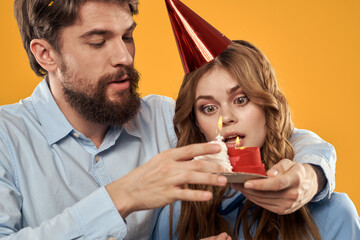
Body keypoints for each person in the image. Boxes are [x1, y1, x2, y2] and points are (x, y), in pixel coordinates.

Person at [0, 0, 336, 239]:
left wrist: (311, 173)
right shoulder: (7, 137)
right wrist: (121, 196)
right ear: (45, 54)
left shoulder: (160, 117)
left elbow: (272, 134)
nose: (124, 57)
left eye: (127, 36)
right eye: (98, 41)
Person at [152, 40, 360, 239]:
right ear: (197, 122)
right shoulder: (176, 218)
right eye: (209, 108)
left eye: (241, 100)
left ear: (267, 104)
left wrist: (313, 172)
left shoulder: (335, 215)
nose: (226, 118)